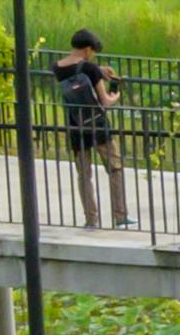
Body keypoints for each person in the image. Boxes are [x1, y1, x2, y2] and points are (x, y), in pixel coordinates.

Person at [46, 25, 124, 227]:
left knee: (84, 174)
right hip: (97, 124)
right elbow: (104, 101)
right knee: (114, 168)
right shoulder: (89, 69)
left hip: (75, 125)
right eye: (92, 53)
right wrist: (115, 96)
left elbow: (74, 68)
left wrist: (98, 69)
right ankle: (121, 216)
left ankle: (91, 219)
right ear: (88, 49)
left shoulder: (57, 67)